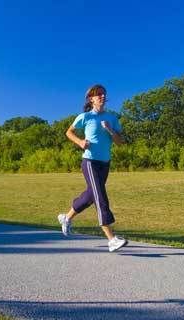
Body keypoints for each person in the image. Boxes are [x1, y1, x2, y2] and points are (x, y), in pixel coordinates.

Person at [58, 84, 128, 252]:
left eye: (104, 94)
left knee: (90, 196)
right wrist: (80, 142)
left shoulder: (112, 118)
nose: (102, 97)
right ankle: (111, 239)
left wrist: (110, 130)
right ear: (91, 99)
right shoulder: (85, 117)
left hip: (105, 163)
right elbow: (69, 132)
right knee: (100, 196)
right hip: (89, 162)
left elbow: (120, 142)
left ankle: (66, 218)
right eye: (99, 95)